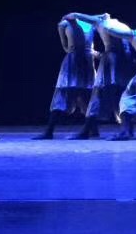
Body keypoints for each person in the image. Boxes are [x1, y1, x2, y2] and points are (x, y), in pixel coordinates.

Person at [36, 12, 107, 140]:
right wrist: (72, 50)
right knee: (64, 94)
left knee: (86, 95)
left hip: (86, 63)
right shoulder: (65, 24)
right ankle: (49, 131)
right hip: (73, 62)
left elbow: (103, 17)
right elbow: (65, 45)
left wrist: (93, 53)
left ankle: (92, 129)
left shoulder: (90, 24)